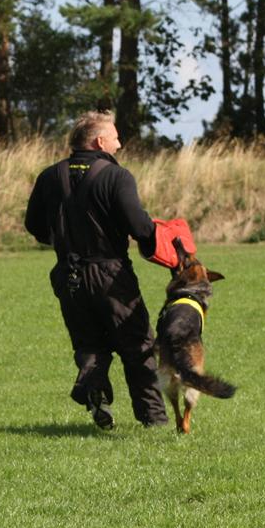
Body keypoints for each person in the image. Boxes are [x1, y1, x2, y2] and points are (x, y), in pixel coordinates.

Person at [24, 111, 168, 429]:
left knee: (90, 343)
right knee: (138, 345)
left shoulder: (49, 176)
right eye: (116, 137)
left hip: (68, 275)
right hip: (111, 275)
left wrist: (62, 240)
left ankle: (93, 391)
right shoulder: (117, 177)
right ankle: (153, 419)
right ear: (100, 141)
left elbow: (33, 225)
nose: (119, 143)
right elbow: (138, 226)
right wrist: (155, 235)